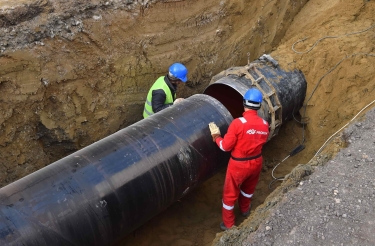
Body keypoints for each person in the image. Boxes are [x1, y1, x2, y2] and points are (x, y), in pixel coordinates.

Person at [209, 88, 270, 231]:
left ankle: (229, 225)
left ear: (244, 103)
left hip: (239, 165)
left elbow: (225, 147)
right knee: (248, 189)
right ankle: (245, 210)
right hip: (256, 162)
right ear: (259, 106)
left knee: (230, 195)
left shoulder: (238, 123)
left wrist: (216, 137)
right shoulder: (264, 124)